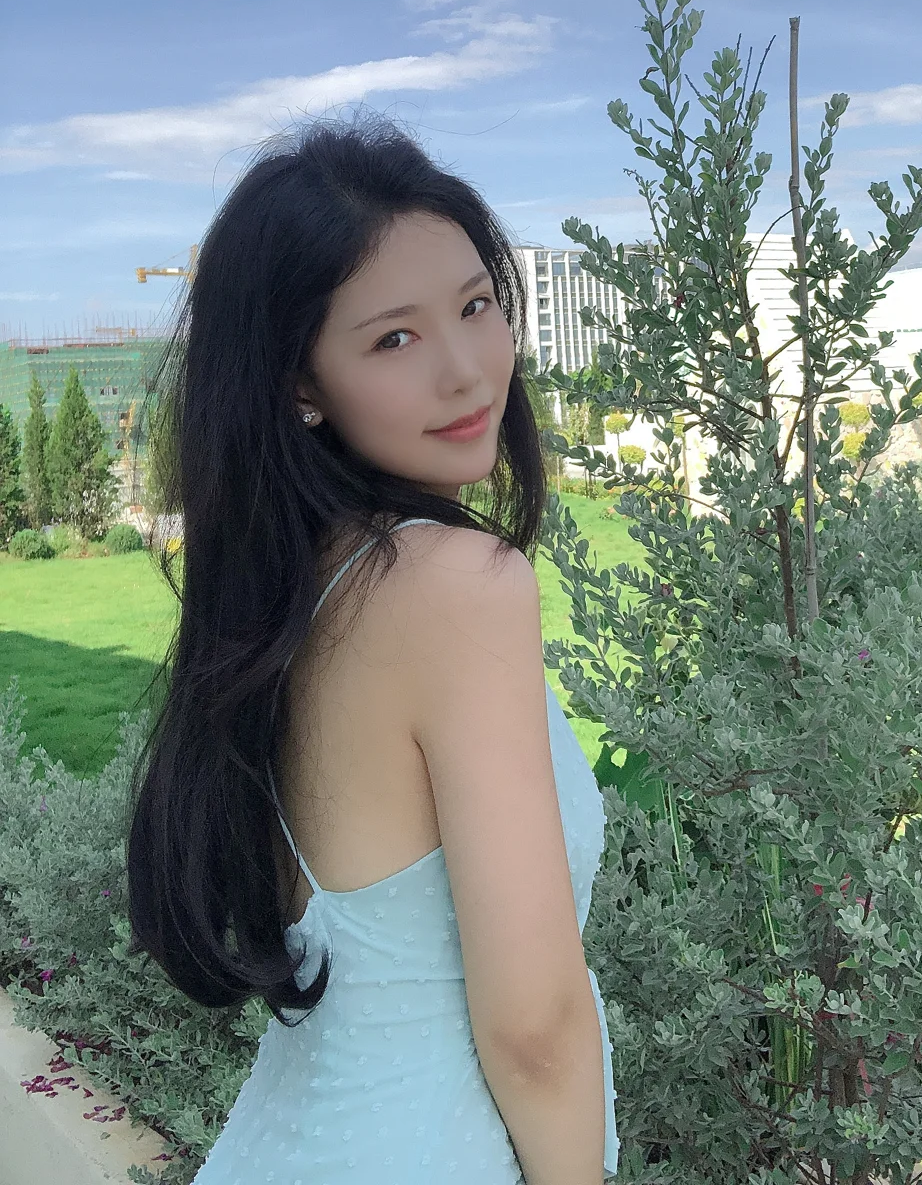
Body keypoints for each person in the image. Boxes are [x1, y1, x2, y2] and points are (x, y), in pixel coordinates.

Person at [126, 114, 619, 1183]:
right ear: (299, 384)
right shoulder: (457, 586)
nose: (467, 372)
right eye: (394, 338)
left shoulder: (287, 593)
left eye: (476, 306)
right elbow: (535, 1028)